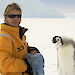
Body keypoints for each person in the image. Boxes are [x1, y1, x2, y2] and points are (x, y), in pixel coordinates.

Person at [0, 2, 31, 75]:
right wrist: (26, 65)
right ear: (5, 18)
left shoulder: (19, 33)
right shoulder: (4, 37)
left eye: (19, 16)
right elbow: (4, 63)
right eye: (12, 16)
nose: (16, 19)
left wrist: (30, 50)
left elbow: (21, 50)